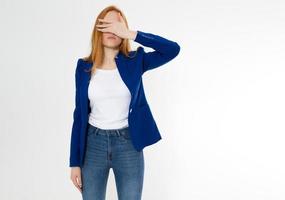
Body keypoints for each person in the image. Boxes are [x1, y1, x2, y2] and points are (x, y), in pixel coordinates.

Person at [69, 5, 180, 200]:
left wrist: (132, 34)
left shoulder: (135, 61)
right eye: (107, 25)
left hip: (128, 144)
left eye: (117, 25)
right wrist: (74, 162)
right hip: (92, 145)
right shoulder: (84, 67)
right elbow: (79, 115)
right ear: (98, 30)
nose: (112, 30)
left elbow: (172, 49)